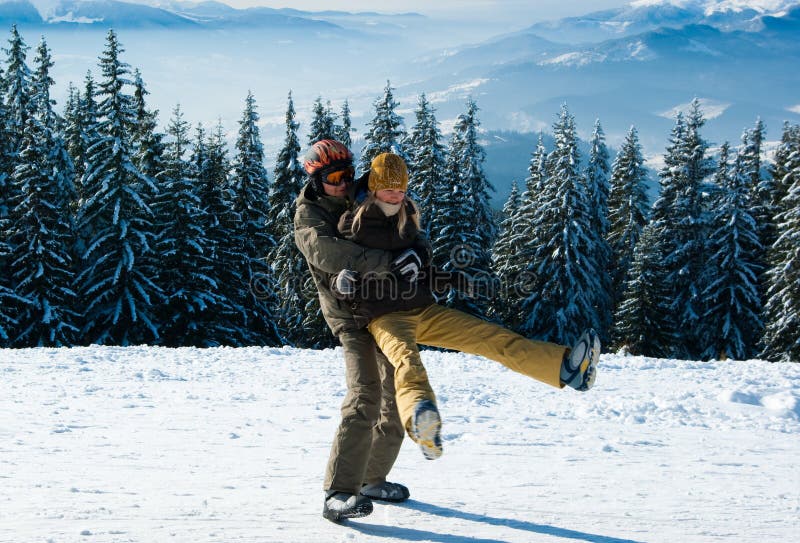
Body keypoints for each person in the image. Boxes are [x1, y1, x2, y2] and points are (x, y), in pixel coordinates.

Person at [330, 152, 600, 461]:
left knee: (490, 337)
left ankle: (566, 369)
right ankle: (421, 420)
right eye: (390, 188)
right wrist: (345, 284)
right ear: (375, 187)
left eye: (401, 188)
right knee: (408, 363)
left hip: (422, 308)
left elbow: (420, 268)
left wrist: (454, 278)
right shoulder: (354, 224)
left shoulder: (407, 218)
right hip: (385, 316)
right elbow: (343, 269)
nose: (397, 195)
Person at [293, 140, 418, 522]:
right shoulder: (308, 214)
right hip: (349, 316)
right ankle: (338, 492)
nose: (343, 183)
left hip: (383, 308)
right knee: (365, 394)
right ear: (315, 180)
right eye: (333, 177)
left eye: (347, 174)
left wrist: (415, 254)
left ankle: (371, 479)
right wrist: (386, 263)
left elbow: (402, 221)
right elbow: (325, 253)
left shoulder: (361, 193)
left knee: (397, 393)